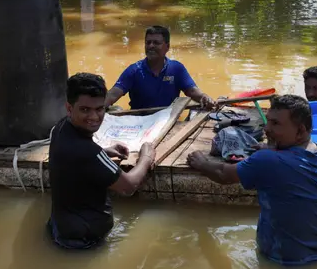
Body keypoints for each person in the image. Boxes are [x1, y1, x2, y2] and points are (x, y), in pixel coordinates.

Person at [186, 95, 317, 266]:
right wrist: (274, 148)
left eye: (276, 124)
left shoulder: (267, 160)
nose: (266, 129)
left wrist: (202, 163)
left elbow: (223, 174)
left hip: (282, 261)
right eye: (268, 121)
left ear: (301, 131)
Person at [47, 72, 156, 249]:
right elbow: (128, 187)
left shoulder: (60, 127)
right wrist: (146, 157)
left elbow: (76, 159)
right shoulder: (89, 153)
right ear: (69, 108)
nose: (94, 117)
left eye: (99, 109)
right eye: (85, 110)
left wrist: (105, 151)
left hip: (61, 228)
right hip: (84, 240)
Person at [104, 25, 215, 110]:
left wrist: (204, 97)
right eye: (148, 42)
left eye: (156, 43)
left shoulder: (176, 69)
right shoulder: (134, 71)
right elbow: (113, 94)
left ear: (167, 47)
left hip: (167, 119)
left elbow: (192, 91)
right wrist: (97, 107)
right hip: (140, 120)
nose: (151, 46)